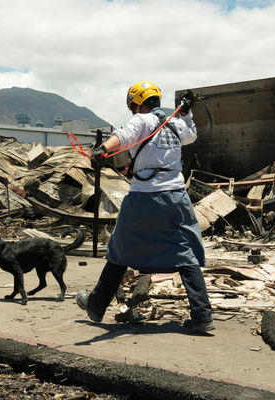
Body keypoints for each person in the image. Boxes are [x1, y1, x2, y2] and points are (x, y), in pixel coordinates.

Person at [76, 81, 214, 333]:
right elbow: (192, 135)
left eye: (133, 107)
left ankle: (96, 306)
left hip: (143, 196)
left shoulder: (142, 120)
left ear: (138, 104)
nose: (133, 111)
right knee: (185, 250)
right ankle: (202, 315)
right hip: (175, 196)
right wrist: (187, 114)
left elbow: (125, 135)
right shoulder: (176, 124)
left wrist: (101, 149)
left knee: (120, 249)